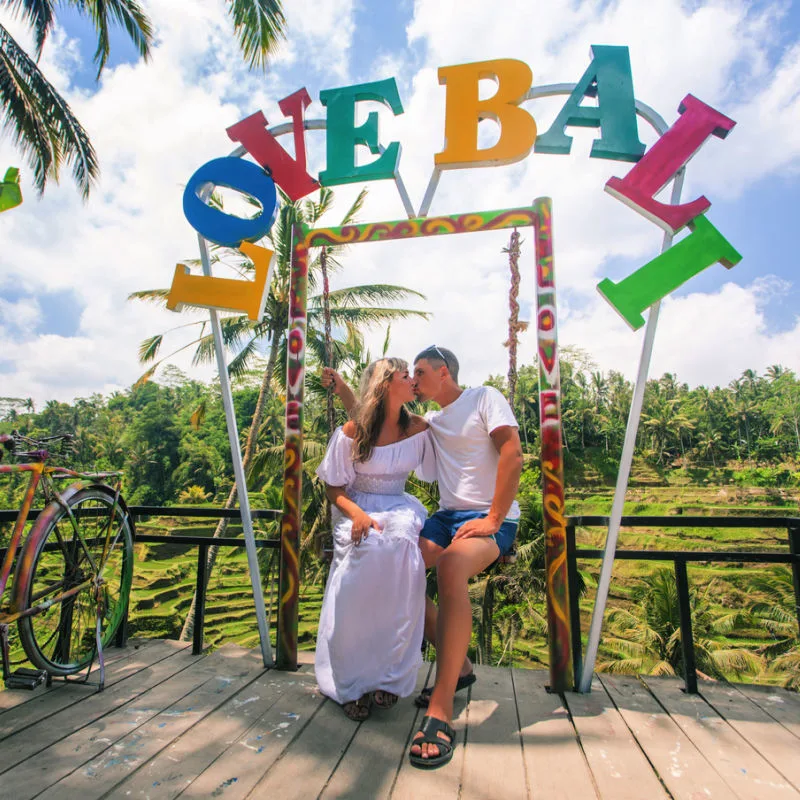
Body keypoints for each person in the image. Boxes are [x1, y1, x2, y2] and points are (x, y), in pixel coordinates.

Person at [323, 345, 523, 768]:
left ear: (443, 372)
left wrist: (494, 517)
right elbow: (372, 417)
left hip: (490, 518)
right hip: (448, 518)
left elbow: (512, 452)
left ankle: (441, 709)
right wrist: (343, 389)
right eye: (407, 375)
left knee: (449, 566)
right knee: (399, 570)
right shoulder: (428, 421)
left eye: (419, 372)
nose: (412, 381)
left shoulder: (484, 397)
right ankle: (458, 666)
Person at [315, 357, 434, 722]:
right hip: (357, 505)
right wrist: (357, 514)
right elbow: (333, 487)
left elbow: (455, 454)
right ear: (385, 384)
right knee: (363, 555)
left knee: (401, 549)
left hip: (399, 505)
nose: (413, 381)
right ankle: (349, 682)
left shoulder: (418, 428)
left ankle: (389, 677)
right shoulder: (352, 431)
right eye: (405, 376)